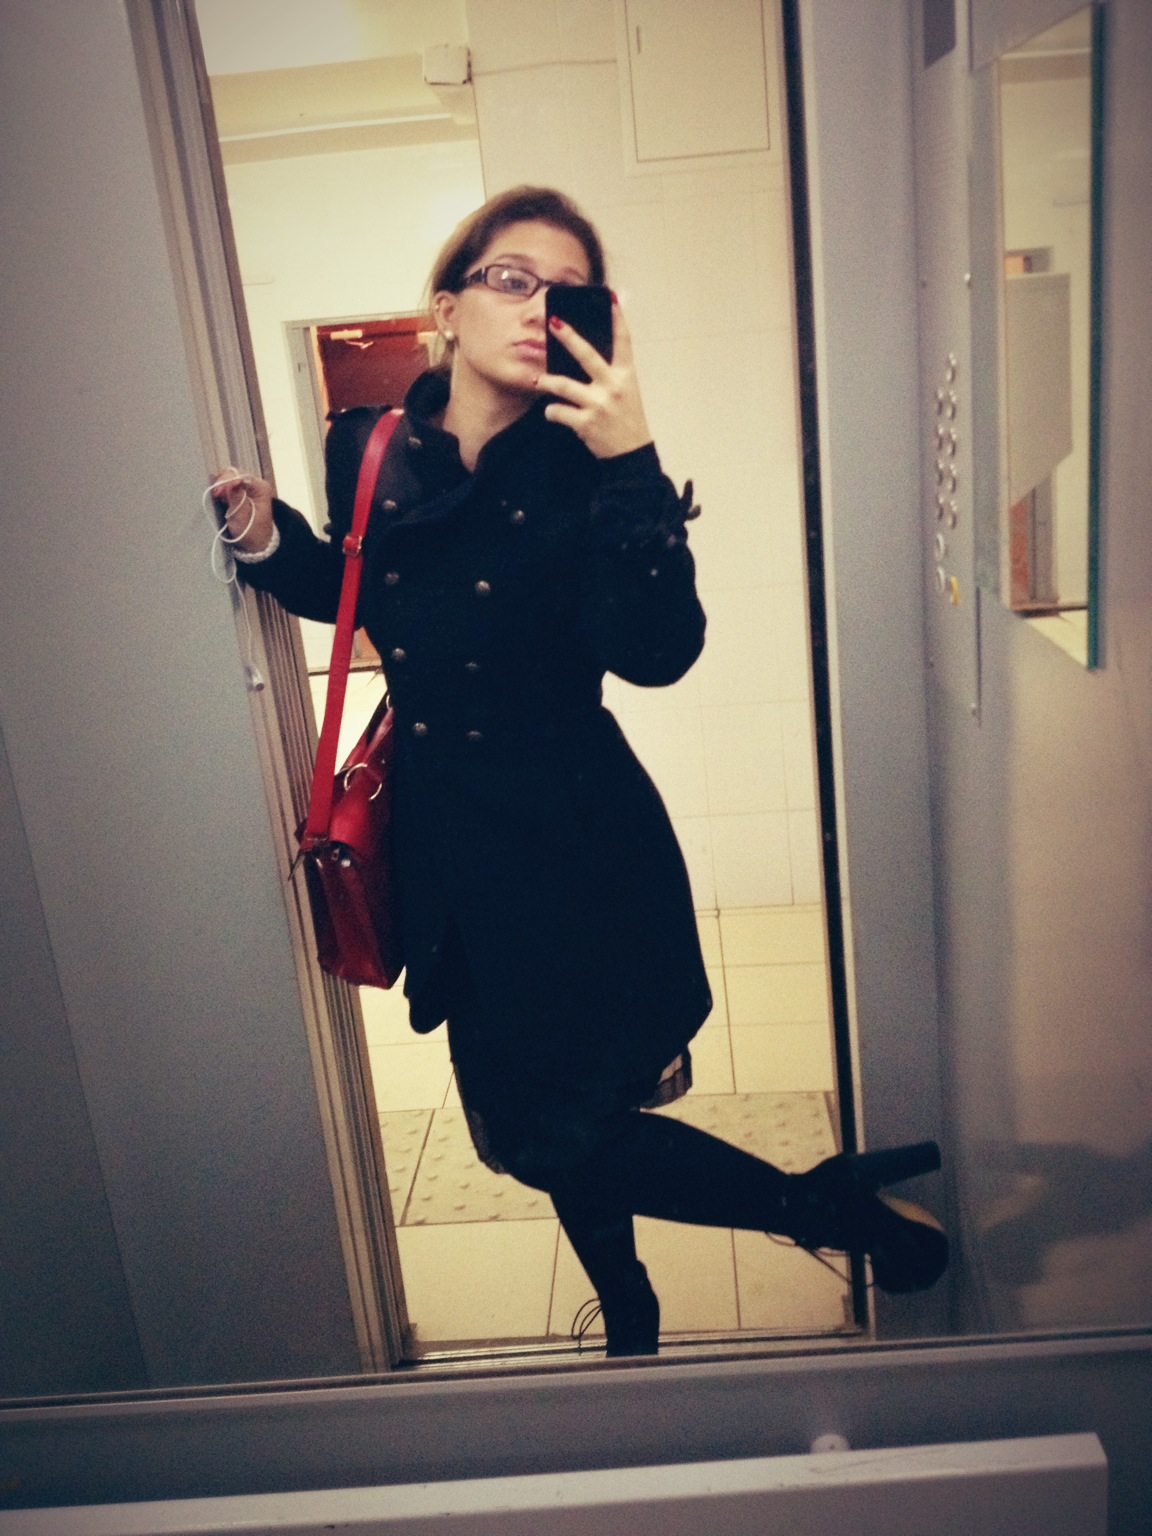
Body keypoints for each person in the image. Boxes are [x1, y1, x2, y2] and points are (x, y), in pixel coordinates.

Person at [214, 185, 947, 1356]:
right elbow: (354, 587)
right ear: (446, 307)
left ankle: (818, 1211)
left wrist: (633, 457)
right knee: (543, 1119)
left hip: (575, 849)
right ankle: (637, 1300)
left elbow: (659, 653)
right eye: (511, 278)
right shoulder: (371, 449)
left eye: (566, 291)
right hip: (450, 850)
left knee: (553, 1129)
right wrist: (266, 539)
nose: (536, 307)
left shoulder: (586, 467)